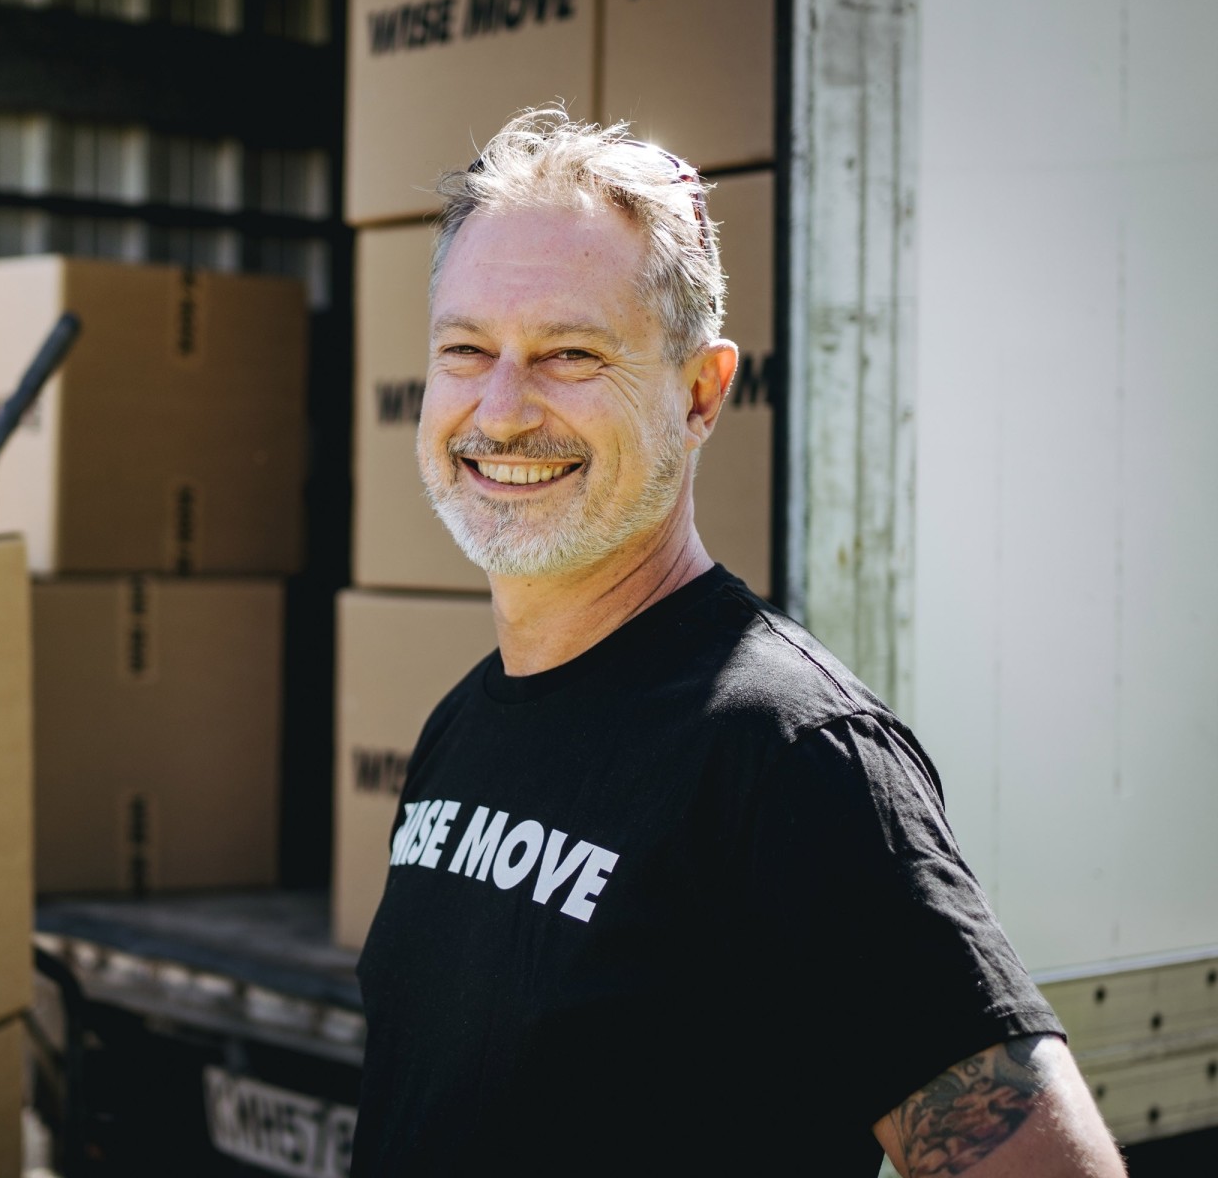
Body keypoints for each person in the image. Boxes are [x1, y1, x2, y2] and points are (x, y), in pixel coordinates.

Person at [350, 109, 1126, 1176]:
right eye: (466, 350)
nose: (502, 407)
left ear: (703, 393)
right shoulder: (463, 726)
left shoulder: (792, 756)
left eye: (571, 354)